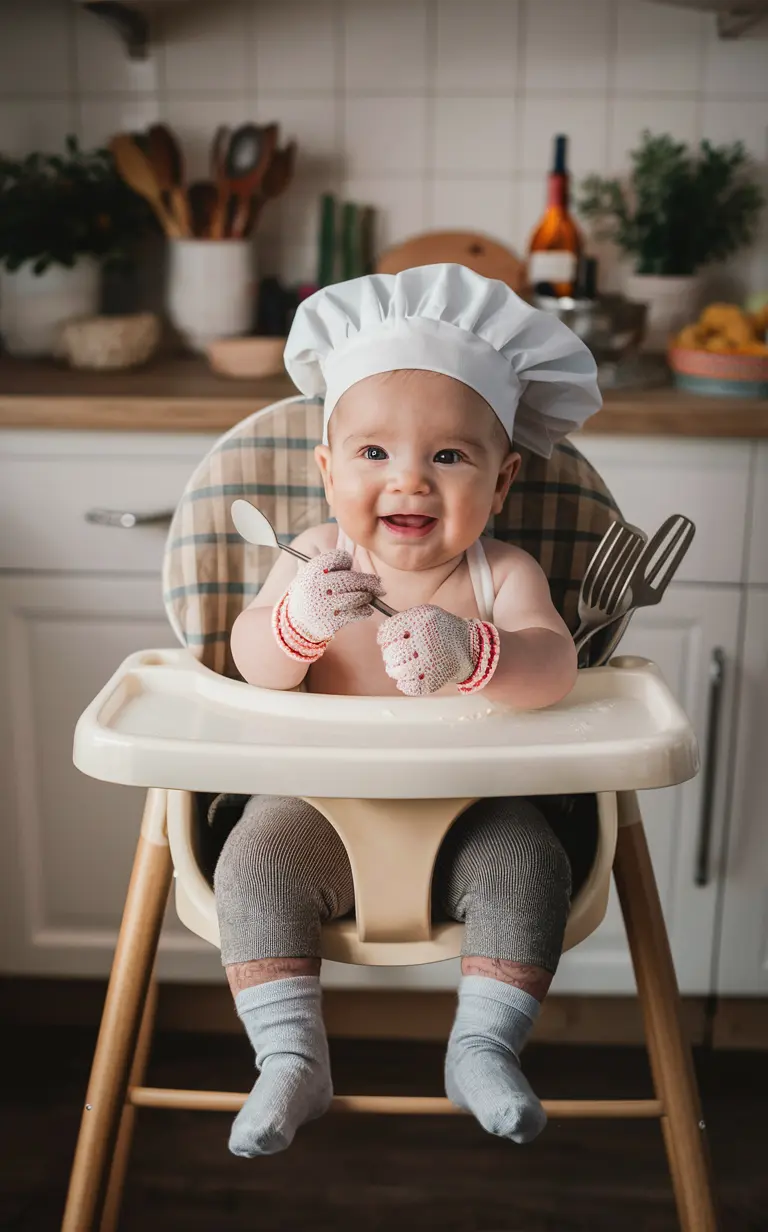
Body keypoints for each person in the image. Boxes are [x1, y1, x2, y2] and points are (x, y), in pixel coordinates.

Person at [214, 263, 602, 1158]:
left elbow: (555, 668)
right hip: (318, 808)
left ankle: (482, 1046)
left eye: (449, 457)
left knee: (529, 865)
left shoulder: (500, 575)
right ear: (327, 467)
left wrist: (479, 654)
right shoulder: (312, 557)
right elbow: (252, 664)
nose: (412, 483)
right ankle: (289, 1056)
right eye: (375, 453)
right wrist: (297, 623)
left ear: (502, 483)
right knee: (253, 864)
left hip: (474, 810)